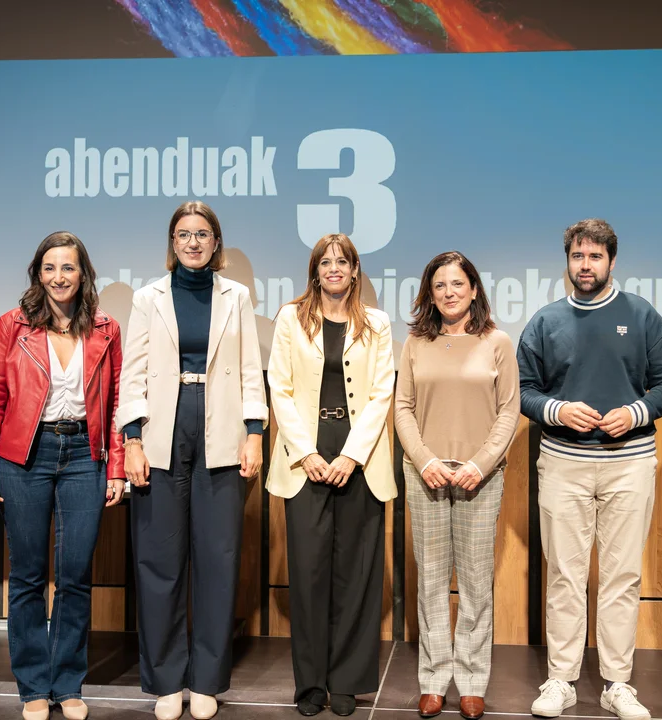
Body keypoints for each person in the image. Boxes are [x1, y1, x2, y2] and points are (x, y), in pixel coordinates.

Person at [519, 219, 662, 720]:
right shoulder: (545, 321)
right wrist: (556, 410)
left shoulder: (642, 315)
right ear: (567, 260)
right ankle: (561, 681)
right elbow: (522, 391)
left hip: (630, 463)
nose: (585, 266)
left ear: (611, 261)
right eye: (577, 256)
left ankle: (617, 684)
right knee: (565, 576)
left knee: (621, 576)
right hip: (563, 463)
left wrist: (636, 412)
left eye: (594, 257)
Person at [115, 201, 268, 720]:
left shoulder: (236, 296)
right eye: (184, 234)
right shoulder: (148, 298)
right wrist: (132, 440)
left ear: (216, 242)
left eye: (202, 234)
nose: (193, 242)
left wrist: (254, 433)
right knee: (159, 560)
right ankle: (166, 682)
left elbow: (249, 368)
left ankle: (205, 681)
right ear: (172, 242)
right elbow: (133, 373)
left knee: (218, 559)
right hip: (162, 428)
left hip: (222, 427)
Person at [0, 231, 126, 720]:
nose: (59, 277)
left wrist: (116, 466)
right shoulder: (12, 325)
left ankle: (68, 685)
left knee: (76, 575)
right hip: (25, 455)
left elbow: (118, 402)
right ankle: (34, 688)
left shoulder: (105, 327)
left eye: (68, 267)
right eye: (50, 268)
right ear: (38, 274)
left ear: (83, 274)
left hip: (85, 453)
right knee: (28, 576)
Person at [266, 233, 395, 717]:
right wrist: (306, 452)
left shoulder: (377, 323)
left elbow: (381, 393)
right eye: (326, 262)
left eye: (343, 261)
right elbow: (279, 388)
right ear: (315, 270)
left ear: (355, 270)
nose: (334, 268)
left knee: (356, 574)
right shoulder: (291, 318)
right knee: (309, 574)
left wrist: (351, 456)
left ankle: (346, 681)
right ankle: (311, 685)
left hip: (359, 456)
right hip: (306, 458)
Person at [394, 251, 520, 720]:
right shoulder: (415, 343)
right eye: (439, 285)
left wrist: (481, 464)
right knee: (430, 581)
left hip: (478, 479)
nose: (449, 292)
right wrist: (423, 460)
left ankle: (470, 682)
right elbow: (402, 408)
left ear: (474, 289)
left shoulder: (497, 342)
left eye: (457, 284)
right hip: (425, 474)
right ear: (430, 294)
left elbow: (508, 411)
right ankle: (433, 681)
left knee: (475, 583)